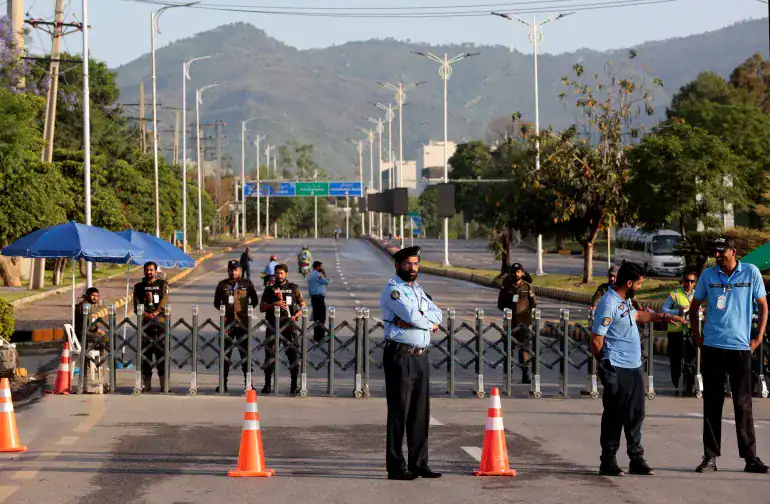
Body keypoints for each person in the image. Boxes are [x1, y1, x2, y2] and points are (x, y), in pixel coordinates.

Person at [591, 262, 685, 476]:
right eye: (639, 284)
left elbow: (637, 316)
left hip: (634, 367)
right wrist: (605, 367)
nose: (640, 287)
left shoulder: (626, 301)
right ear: (629, 283)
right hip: (616, 366)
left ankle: (636, 458)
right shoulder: (609, 303)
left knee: (635, 415)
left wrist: (662, 316)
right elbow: (596, 339)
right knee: (614, 415)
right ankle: (608, 460)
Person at [689, 236, 769, 474]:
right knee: (712, 404)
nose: (718, 256)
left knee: (743, 405)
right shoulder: (708, 275)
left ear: (734, 252)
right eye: (716, 252)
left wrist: (758, 337)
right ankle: (710, 457)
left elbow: (763, 306)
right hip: (713, 348)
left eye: (722, 252)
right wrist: (698, 338)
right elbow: (694, 308)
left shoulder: (751, 273)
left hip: (741, 349)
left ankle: (750, 458)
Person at [380, 246, 443, 481]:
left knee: (420, 412)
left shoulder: (417, 289)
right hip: (401, 356)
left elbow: (438, 314)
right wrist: (425, 320)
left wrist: (423, 319)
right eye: (407, 263)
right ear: (397, 265)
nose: (413, 268)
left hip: (421, 355)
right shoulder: (394, 290)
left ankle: (419, 463)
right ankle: (396, 466)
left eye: (416, 263)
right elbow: (412, 317)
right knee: (399, 412)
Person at [259, 263, 306, 395]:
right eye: (277, 273)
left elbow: (303, 306)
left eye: (281, 273)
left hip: (289, 326)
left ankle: (294, 385)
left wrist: (297, 315)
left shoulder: (293, 288)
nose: (279, 276)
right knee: (270, 356)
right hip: (273, 326)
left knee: (293, 356)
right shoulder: (269, 289)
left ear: (286, 274)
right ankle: (267, 385)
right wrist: (275, 304)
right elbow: (261, 308)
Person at [214, 260, 260, 393]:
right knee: (225, 354)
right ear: (228, 270)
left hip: (243, 324)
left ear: (240, 270)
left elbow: (255, 301)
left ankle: (249, 383)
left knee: (245, 354)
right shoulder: (222, 285)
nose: (233, 272)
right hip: (228, 323)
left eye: (236, 269)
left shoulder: (247, 284)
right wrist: (226, 311)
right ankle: (223, 383)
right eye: (231, 270)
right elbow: (217, 303)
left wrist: (246, 312)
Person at [497, 262, 536, 384]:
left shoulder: (527, 287)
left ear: (522, 273)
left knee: (525, 349)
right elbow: (500, 304)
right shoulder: (506, 286)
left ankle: (526, 373)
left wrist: (526, 313)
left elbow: (533, 303)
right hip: (510, 322)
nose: (516, 274)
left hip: (524, 322)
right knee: (509, 348)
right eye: (514, 272)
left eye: (518, 272)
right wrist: (509, 311)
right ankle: (508, 373)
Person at [133, 261, 169, 393]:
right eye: (147, 270)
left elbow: (165, 299)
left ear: (156, 271)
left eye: (151, 270)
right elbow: (136, 306)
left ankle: (164, 385)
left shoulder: (162, 284)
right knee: (145, 356)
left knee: (161, 354)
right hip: (145, 325)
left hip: (160, 324)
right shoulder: (139, 287)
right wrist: (147, 314)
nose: (149, 272)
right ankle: (146, 385)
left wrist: (157, 312)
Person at [661, 270, 698, 395]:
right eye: (687, 281)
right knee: (676, 359)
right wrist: (678, 311)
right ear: (682, 281)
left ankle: (690, 386)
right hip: (676, 331)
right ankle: (676, 384)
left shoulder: (697, 295)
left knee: (691, 359)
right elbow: (664, 309)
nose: (689, 283)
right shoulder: (674, 294)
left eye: (692, 281)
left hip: (691, 331)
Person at [307, 261, 330, 342]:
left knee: (316, 318)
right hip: (319, 298)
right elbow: (326, 282)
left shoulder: (310, 275)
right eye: (321, 267)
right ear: (318, 267)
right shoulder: (318, 275)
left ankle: (316, 336)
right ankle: (321, 337)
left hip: (313, 298)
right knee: (321, 318)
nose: (321, 268)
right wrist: (324, 273)